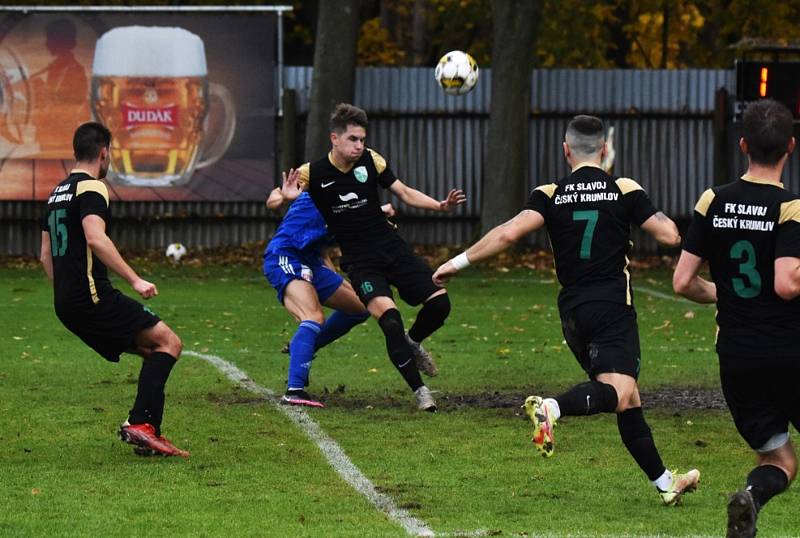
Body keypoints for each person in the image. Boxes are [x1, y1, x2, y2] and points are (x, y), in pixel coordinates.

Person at [433, 114, 700, 505]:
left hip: (573, 313)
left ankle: (664, 483)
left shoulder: (550, 192)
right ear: (605, 150)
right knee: (617, 391)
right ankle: (551, 408)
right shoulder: (623, 188)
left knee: (629, 398)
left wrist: (456, 263)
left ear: (566, 151)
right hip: (612, 307)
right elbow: (668, 234)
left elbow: (508, 233)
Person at [673, 99, 799, 537]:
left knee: (779, 461)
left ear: (743, 144)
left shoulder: (713, 200)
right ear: (791, 147)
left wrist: (721, 293)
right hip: (789, 352)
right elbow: (787, 283)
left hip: (737, 359)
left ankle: (752, 497)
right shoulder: (790, 209)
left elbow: (683, 282)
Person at [302, 103, 466, 412]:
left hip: (392, 248)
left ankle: (414, 341)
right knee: (390, 322)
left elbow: (403, 191)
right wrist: (281, 196)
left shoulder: (371, 160)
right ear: (334, 139)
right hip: (360, 261)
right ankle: (420, 392)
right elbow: (277, 196)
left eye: (362, 139)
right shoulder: (313, 172)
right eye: (353, 139)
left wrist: (439, 205)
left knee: (440, 303)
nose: (359, 145)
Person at [39, 122, 187, 457]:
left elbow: (45, 255)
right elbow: (96, 237)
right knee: (169, 342)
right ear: (104, 152)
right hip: (92, 296)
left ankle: (146, 435)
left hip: (66, 304)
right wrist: (135, 280)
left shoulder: (55, 194)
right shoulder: (92, 188)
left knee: (154, 352)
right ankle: (141, 424)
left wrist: (65, 293)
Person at [263, 170, 384, 407]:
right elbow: (273, 199)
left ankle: (304, 347)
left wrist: (332, 273)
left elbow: (323, 249)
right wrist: (285, 198)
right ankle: (294, 390)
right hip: (285, 256)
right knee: (313, 316)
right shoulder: (319, 188)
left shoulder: (349, 210)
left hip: (312, 262)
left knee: (361, 306)